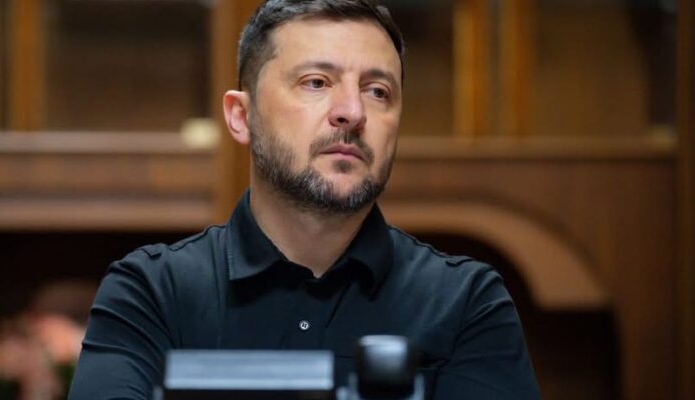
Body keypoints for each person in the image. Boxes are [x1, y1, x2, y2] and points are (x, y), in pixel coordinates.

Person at [68, 1, 540, 399]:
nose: (352, 112)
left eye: (377, 92)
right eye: (316, 82)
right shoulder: (151, 293)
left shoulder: (465, 303)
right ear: (241, 116)